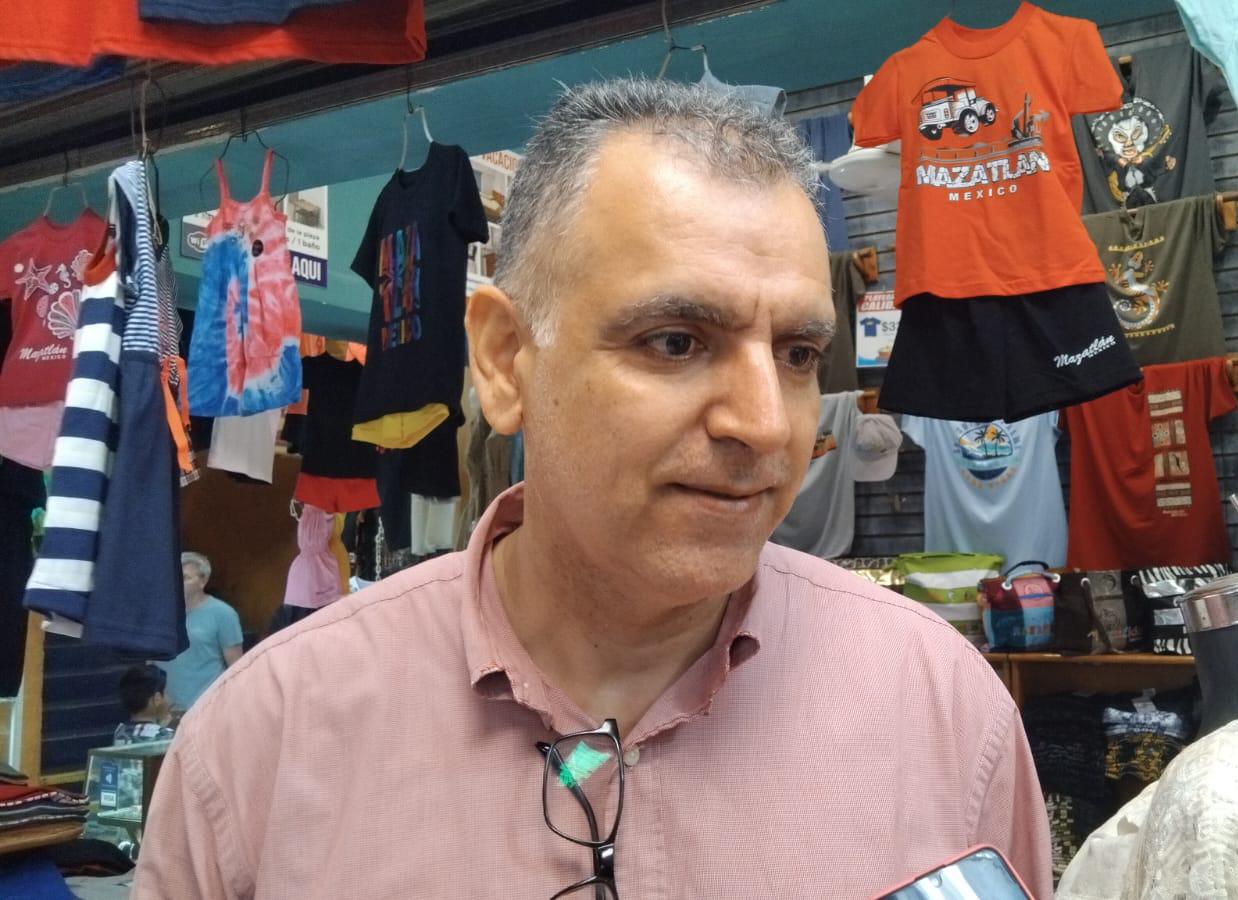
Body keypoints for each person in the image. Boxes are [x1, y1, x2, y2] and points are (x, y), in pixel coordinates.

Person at [134, 79, 1051, 899]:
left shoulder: (942, 712)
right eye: (676, 342)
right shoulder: (263, 748)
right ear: (505, 360)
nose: (769, 426)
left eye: (799, 353)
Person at [154, 552, 243, 711]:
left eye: (185, 578)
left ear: (203, 581)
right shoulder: (158, 613)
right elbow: (150, 661)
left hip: (208, 709)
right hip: (166, 711)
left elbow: (236, 667)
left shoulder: (223, 614)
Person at [113, 664, 175, 745]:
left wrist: (160, 727)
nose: (170, 699)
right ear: (157, 699)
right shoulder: (168, 736)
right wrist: (162, 729)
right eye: (166, 692)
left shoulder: (119, 732)